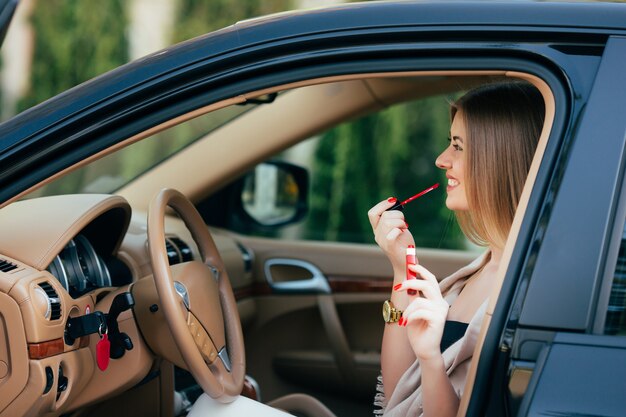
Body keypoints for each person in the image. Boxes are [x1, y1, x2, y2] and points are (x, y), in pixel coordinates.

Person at [368, 82, 545, 417]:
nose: (441, 159)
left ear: (499, 157)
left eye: (458, 146)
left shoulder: (525, 291)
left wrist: (433, 361)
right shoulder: (481, 269)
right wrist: (402, 267)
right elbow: (397, 397)